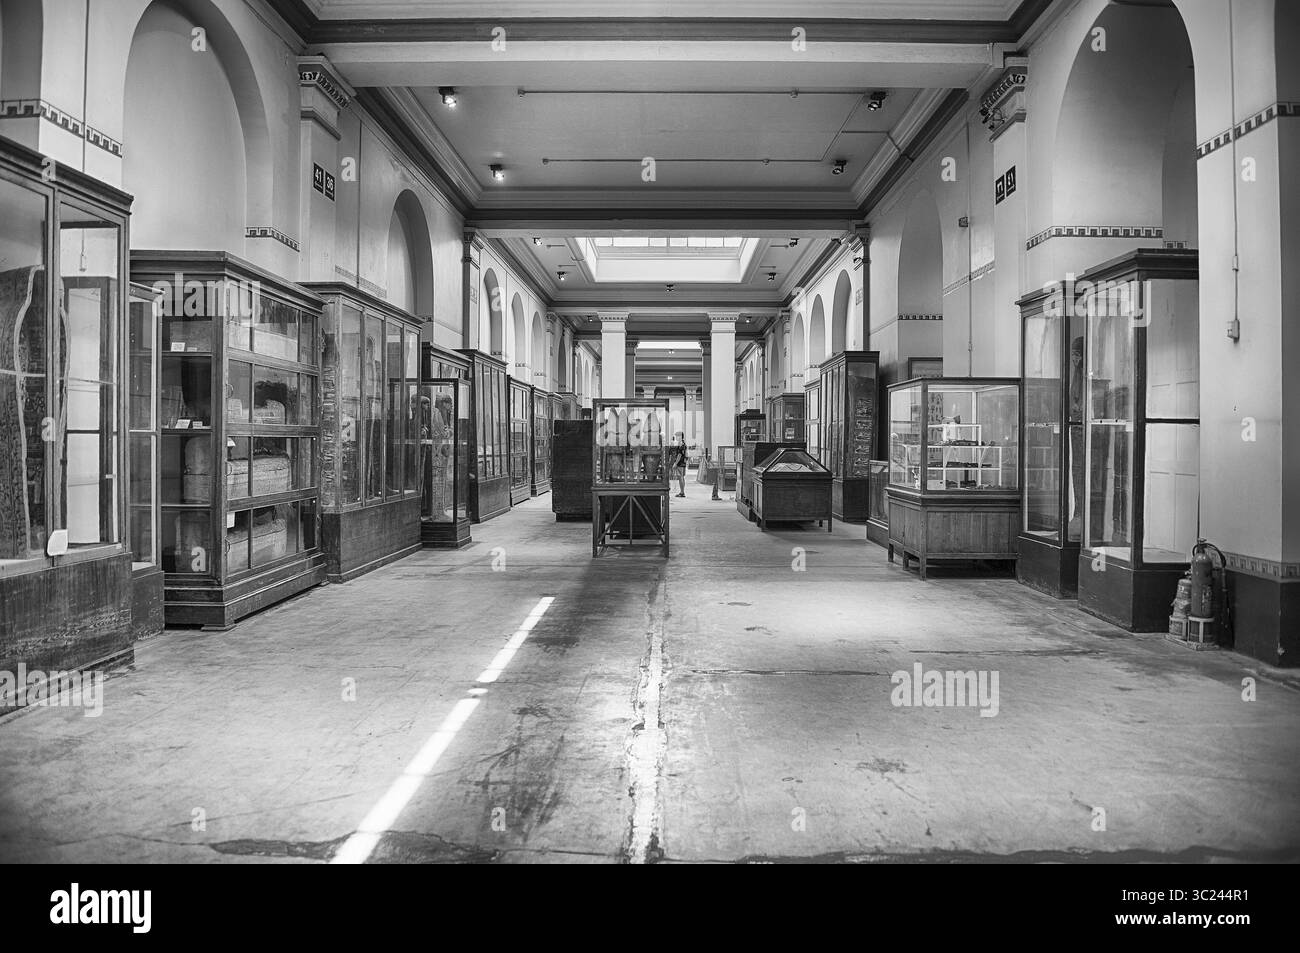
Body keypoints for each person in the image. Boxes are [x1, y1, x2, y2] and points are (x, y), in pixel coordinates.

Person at [671, 432, 688, 497]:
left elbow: (679, 455)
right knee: (682, 477)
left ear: (681, 436)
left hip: (680, 463)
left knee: (680, 477)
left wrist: (675, 463)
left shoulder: (681, 444)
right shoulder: (683, 444)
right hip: (683, 463)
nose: (676, 438)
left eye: (677, 436)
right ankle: (682, 491)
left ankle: (682, 492)